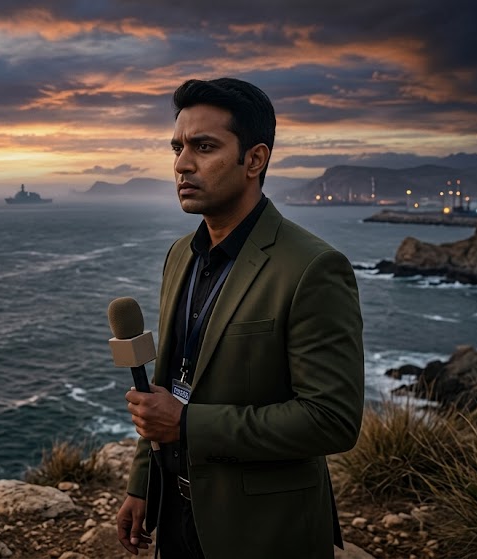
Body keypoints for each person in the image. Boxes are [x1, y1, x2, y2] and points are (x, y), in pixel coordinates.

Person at [115, 77, 365, 558]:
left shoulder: (312, 267)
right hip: (175, 519)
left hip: (264, 531)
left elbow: (332, 420)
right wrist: (142, 483)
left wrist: (187, 425)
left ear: (255, 159)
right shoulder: (179, 256)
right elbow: (169, 382)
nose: (182, 164)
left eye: (204, 147)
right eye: (177, 148)